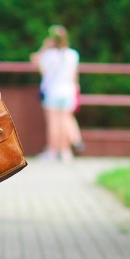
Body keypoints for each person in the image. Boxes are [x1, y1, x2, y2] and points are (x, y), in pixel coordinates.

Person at [31, 25, 82, 162]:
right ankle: (65, 152)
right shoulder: (73, 55)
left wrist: (44, 46)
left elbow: (34, 59)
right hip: (68, 91)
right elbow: (75, 76)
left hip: (52, 91)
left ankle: (52, 152)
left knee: (53, 122)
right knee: (65, 120)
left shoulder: (47, 55)